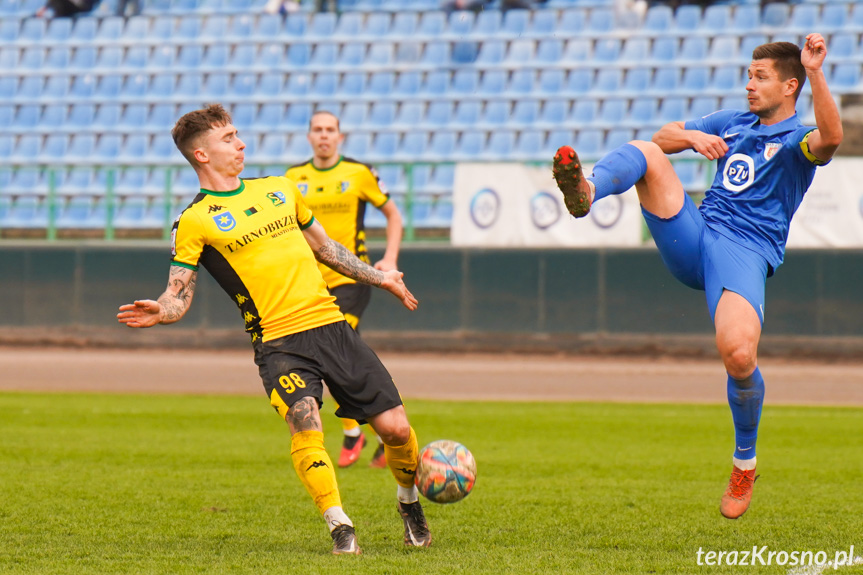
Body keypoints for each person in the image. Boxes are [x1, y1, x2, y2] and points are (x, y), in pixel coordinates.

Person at [117, 104, 432, 554]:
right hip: (279, 343)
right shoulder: (194, 220)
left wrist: (379, 277)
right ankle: (339, 525)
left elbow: (327, 249)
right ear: (202, 155)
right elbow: (178, 291)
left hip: (331, 326)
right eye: (228, 138)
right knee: (307, 425)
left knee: (397, 430)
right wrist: (162, 310)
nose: (241, 143)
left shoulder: (280, 190)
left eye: (237, 135)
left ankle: (409, 503)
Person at [552, 34, 841, 519]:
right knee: (647, 151)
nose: (749, 85)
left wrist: (816, 72)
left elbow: (831, 139)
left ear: (790, 86)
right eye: (749, 75)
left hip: (744, 252)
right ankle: (587, 189)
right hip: (699, 233)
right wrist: (692, 137)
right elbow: (664, 135)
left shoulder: (796, 141)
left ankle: (743, 462)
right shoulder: (734, 121)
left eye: (760, 77)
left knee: (739, 354)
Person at [285, 110, 403, 470]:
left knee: (332, 349)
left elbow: (394, 215)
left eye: (330, 130)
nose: (324, 136)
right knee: (349, 357)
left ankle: (354, 432)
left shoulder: (358, 173)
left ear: (340, 136)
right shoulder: (292, 179)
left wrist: (389, 259)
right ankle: (385, 434)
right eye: (317, 130)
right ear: (309, 137)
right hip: (313, 283)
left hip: (352, 278)